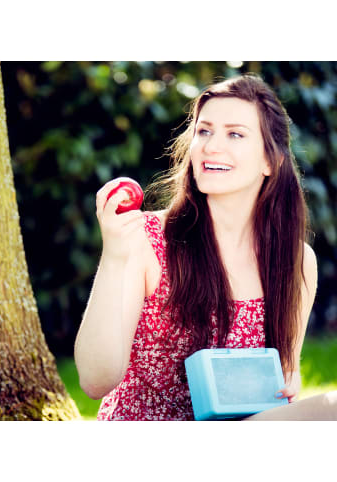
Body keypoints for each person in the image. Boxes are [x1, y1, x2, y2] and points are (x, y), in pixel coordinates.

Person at [74, 73, 337, 420]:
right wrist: (115, 255)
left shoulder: (297, 261)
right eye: (204, 130)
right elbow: (95, 381)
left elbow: (286, 374)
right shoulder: (147, 239)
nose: (212, 145)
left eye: (235, 134)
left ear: (270, 162)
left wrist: (289, 380)